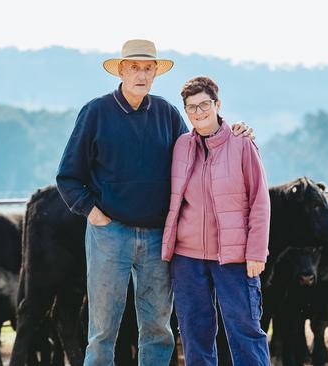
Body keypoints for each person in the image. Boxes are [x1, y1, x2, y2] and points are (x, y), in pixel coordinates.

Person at [56, 40, 252, 366]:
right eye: (134, 67)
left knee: (158, 327)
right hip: (109, 233)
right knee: (103, 328)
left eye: (148, 68)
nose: (141, 74)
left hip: (158, 236)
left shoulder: (167, 114)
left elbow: (200, 144)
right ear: (121, 70)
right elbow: (68, 176)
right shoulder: (95, 112)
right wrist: (93, 213)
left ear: (155, 74)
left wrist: (234, 132)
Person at [161, 76, 271, 365]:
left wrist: (257, 252)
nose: (198, 112)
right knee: (195, 333)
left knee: (245, 329)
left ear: (217, 104)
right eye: (191, 107)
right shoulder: (181, 146)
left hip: (234, 257)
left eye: (204, 105)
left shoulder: (242, 144)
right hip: (187, 258)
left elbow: (260, 200)